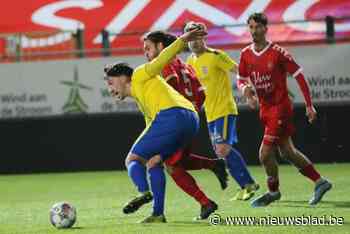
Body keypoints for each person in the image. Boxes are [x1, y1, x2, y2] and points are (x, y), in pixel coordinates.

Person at [104, 27, 207, 223]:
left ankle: (143, 192)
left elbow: (162, 58)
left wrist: (183, 39)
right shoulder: (144, 99)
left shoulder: (140, 74)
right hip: (191, 120)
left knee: (132, 159)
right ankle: (158, 214)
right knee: (153, 161)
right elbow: (151, 127)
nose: (110, 89)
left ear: (123, 78)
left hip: (173, 116)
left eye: (110, 83)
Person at [237, 12, 332, 207]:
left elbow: (299, 75)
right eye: (251, 27)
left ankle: (273, 191)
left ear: (266, 28)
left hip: (280, 109)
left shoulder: (278, 52)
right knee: (287, 151)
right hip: (265, 110)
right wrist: (246, 91)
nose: (254, 31)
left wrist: (308, 104)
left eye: (257, 27)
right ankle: (320, 182)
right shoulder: (246, 54)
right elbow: (241, 78)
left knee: (264, 154)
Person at [141, 30, 229, 220]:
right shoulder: (186, 66)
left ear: (161, 47)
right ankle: (213, 165)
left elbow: (170, 84)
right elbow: (202, 94)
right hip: (190, 120)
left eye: (148, 48)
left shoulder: (165, 65)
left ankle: (205, 203)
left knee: (169, 165)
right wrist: (192, 110)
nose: (145, 53)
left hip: (175, 121)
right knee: (177, 161)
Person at [185, 22, 259, 201]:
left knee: (223, 149)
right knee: (221, 151)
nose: (194, 42)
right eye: (190, 38)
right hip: (210, 113)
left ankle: (248, 183)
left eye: (198, 37)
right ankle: (245, 185)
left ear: (204, 37)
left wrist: (250, 92)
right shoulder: (190, 62)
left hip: (225, 109)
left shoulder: (216, 56)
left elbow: (240, 72)